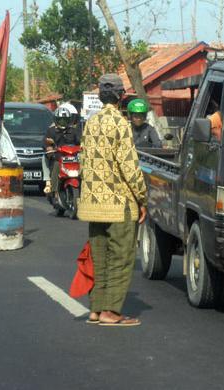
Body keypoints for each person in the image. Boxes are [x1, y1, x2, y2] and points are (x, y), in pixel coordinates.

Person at [77, 73, 147, 326]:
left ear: (100, 96)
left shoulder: (91, 123)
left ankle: (96, 308)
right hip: (119, 204)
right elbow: (129, 167)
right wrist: (142, 198)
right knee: (121, 256)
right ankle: (111, 311)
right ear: (121, 96)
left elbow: (83, 162)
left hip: (93, 204)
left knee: (99, 256)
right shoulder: (120, 123)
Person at [42, 103, 81, 194]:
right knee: (50, 161)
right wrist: (49, 148)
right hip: (58, 157)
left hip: (73, 158)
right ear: (56, 120)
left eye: (65, 120)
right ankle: (51, 186)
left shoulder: (74, 131)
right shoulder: (51, 131)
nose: (63, 122)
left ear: (69, 120)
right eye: (61, 120)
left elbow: (80, 142)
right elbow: (45, 142)